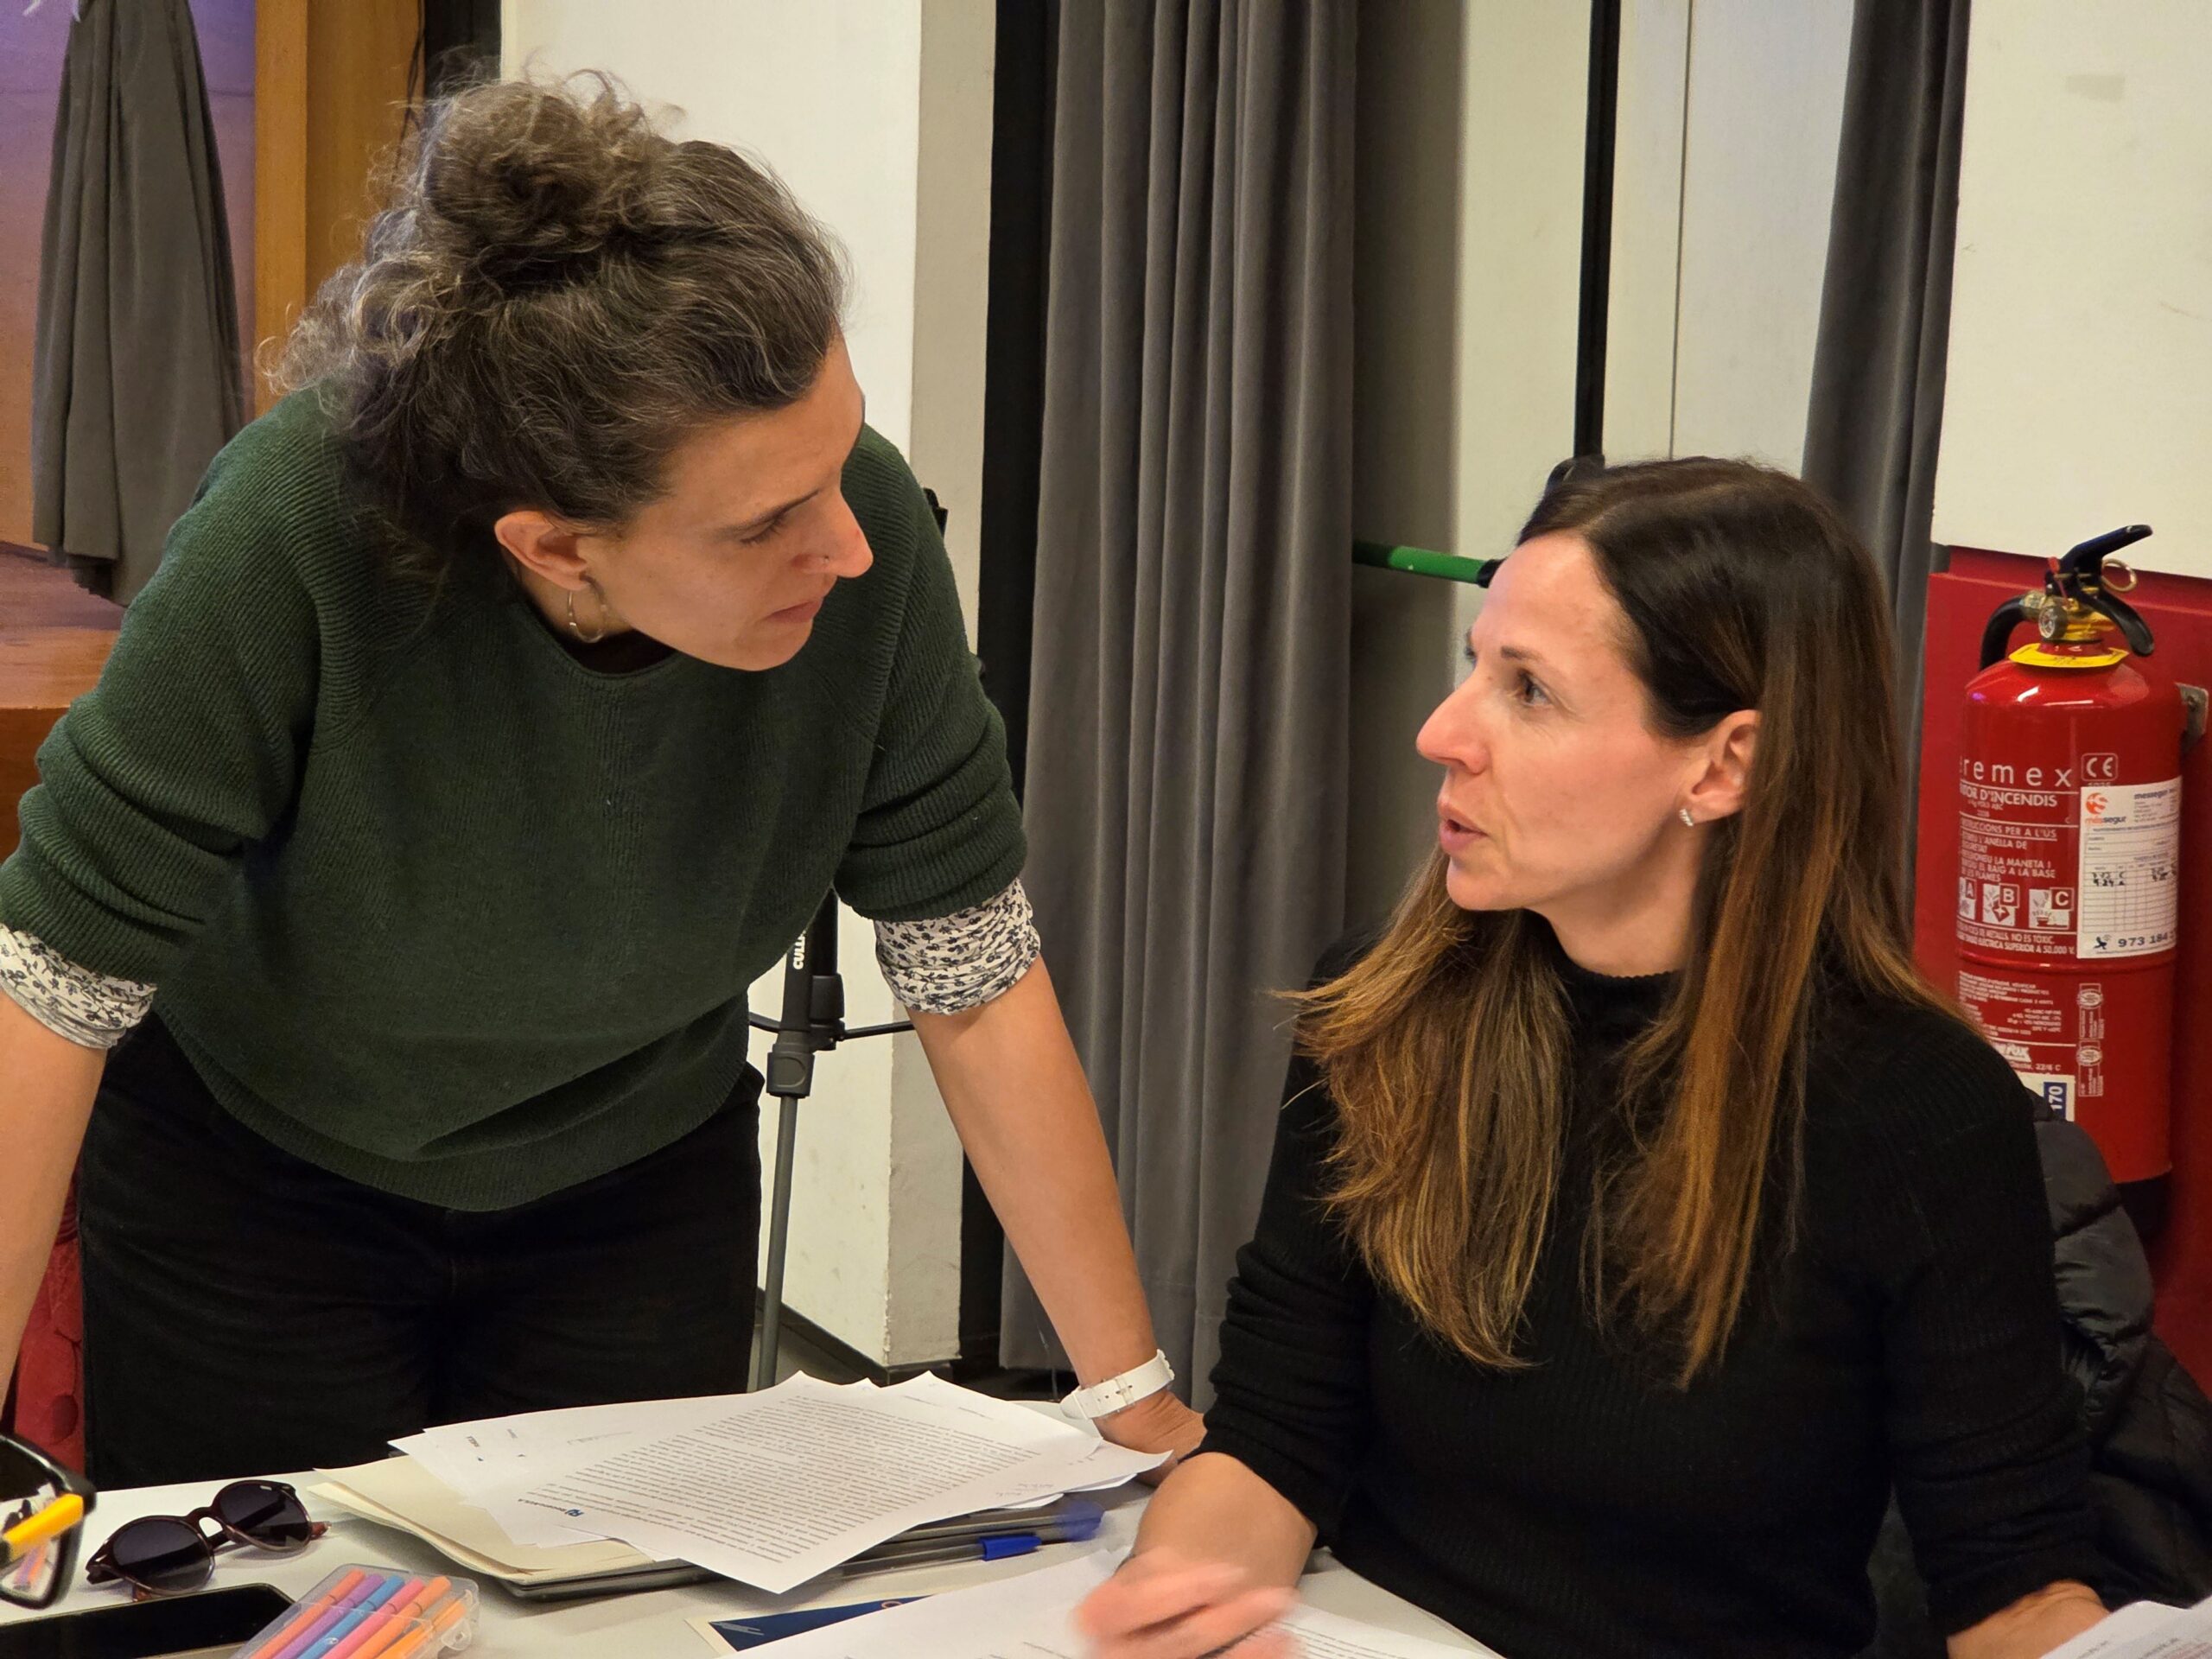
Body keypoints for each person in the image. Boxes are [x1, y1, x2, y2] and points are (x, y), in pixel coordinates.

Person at [0, 76, 1199, 1484]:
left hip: (638, 1179)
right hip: (257, 1179)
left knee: (621, 1582)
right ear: (557, 546)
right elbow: (53, 986)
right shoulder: (292, 530)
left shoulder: (857, 537)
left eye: (840, 465)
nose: (851, 546)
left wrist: (1136, 1403)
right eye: (765, 525)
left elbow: (973, 973)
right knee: (288, 1586)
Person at [1078, 461, 2111, 1658]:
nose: (1441, 733)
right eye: (1475, 664)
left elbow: (2012, 1585)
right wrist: (1183, 1597)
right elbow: (1273, 1438)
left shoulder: (1916, 1107)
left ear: (1723, 765)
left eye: (1529, 691)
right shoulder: (1392, 1004)